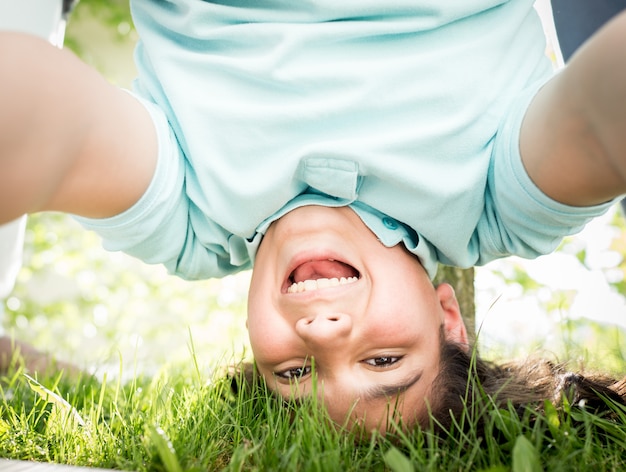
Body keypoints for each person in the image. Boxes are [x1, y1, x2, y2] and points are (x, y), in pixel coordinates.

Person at [1, 0, 625, 432]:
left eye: (294, 372)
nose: (323, 332)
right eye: (384, 363)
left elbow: (48, 116)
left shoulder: (188, 219)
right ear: (446, 318)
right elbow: (604, 115)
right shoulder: (500, 205)